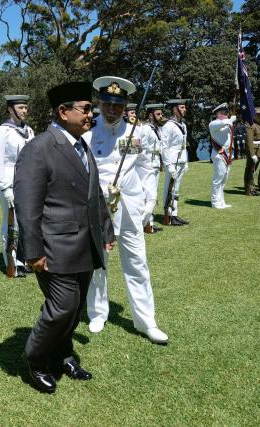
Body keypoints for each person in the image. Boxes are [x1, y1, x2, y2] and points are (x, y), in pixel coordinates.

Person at [14, 81, 114, 393]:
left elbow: (93, 194)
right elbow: (27, 204)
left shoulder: (81, 145)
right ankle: (36, 358)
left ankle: (64, 355)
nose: (91, 115)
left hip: (85, 244)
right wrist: (33, 251)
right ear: (63, 111)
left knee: (75, 307)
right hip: (54, 246)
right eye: (86, 109)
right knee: (62, 307)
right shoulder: (39, 148)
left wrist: (106, 229)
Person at [84, 76, 168, 344]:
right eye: (107, 104)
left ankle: (146, 322)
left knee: (137, 264)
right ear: (99, 102)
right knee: (97, 264)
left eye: (117, 106)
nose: (111, 110)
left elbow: (148, 167)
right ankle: (97, 313)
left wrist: (149, 201)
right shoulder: (87, 132)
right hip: (97, 209)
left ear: (126, 105)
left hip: (129, 207)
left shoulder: (138, 132)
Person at [0, 95, 35, 277]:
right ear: (11, 109)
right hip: (9, 179)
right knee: (12, 222)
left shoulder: (29, 130)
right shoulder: (2, 132)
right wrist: (4, 186)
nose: (24, 111)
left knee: (27, 222)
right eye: (21, 107)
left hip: (28, 180)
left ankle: (25, 259)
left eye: (26, 107)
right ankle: (12, 261)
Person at [161, 99, 190, 225]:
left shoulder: (183, 125)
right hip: (172, 162)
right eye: (182, 107)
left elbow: (183, 145)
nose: (185, 109)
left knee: (176, 190)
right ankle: (168, 216)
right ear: (175, 109)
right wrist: (169, 165)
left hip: (181, 160)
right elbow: (164, 147)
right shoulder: (168, 126)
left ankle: (175, 214)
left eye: (184, 107)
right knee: (169, 189)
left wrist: (186, 161)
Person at [143, 103, 166, 233]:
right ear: (150, 115)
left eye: (161, 114)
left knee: (152, 194)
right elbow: (143, 148)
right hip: (149, 164)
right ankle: (147, 223)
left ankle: (149, 222)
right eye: (158, 114)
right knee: (149, 195)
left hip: (156, 162)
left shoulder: (156, 128)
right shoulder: (146, 129)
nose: (161, 116)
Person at [209, 103, 236, 208]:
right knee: (218, 179)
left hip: (228, 154)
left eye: (226, 113)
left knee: (224, 179)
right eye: (224, 113)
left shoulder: (226, 124)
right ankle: (215, 202)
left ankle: (221, 201)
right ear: (218, 114)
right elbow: (225, 122)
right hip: (219, 154)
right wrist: (230, 120)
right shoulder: (213, 124)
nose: (226, 114)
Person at [244, 107, 260, 195]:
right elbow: (249, 140)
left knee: (254, 169)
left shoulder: (259, 125)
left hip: (259, 150)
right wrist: (252, 154)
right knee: (250, 170)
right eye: (258, 115)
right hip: (253, 151)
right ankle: (249, 189)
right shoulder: (251, 125)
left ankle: (252, 188)